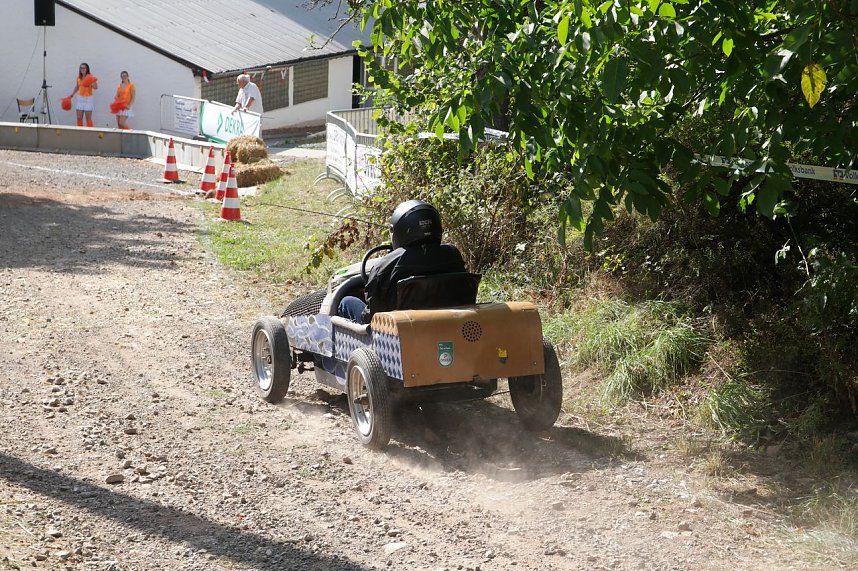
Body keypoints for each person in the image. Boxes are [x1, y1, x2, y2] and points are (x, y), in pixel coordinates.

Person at [338, 200, 468, 324]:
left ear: (399, 229)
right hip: (450, 324)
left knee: (346, 301)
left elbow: (372, 315)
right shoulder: (453, 255)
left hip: (395, 334)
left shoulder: (385, 266)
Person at [68, 62, 98, 127]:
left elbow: (96, 87)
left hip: (88, 99)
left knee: (88, 118)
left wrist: (91, 83)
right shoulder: (78, 77)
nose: (82, 69)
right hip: (80, 99)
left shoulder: (90, 77)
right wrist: (72, 94)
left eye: (84, 68)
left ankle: (90, 133)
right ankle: (80, 132)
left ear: (87, 69)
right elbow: (77, 86)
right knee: (79, 117)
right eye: (81, 68)